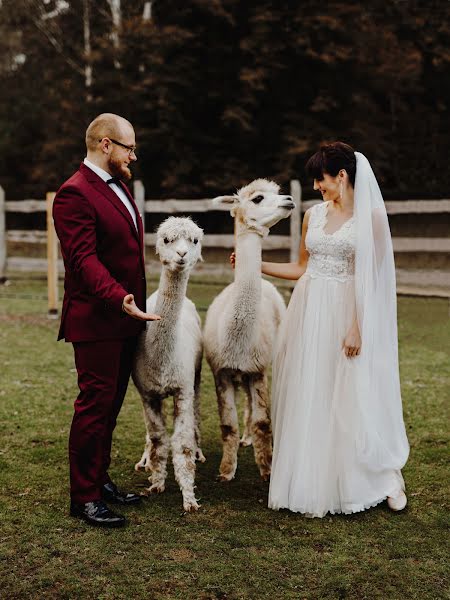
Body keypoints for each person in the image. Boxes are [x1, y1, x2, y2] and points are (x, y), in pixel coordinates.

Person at [233, 142, 409, 517]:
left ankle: (381, 477)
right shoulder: (314, 216)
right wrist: (256, 261)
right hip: (309, 309)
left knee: (351, 394)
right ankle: (316, 476)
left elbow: (373, 281)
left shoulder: (371, 219)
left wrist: (357, 328)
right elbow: (302, 269)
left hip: (347, 311)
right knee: (311, 390)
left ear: (341, 176)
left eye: (321, 179)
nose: (317, 187)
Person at [53, 113, 161, 528]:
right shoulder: (73, 194)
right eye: (128, 147)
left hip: (125, 319)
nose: (134, 154)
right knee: (94, 408)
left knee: (112, 407)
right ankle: (83, 498)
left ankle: (99, 480)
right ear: (105, 144)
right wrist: (121, 298)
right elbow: (83, 260)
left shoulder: (120, 187)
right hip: (97, 320)